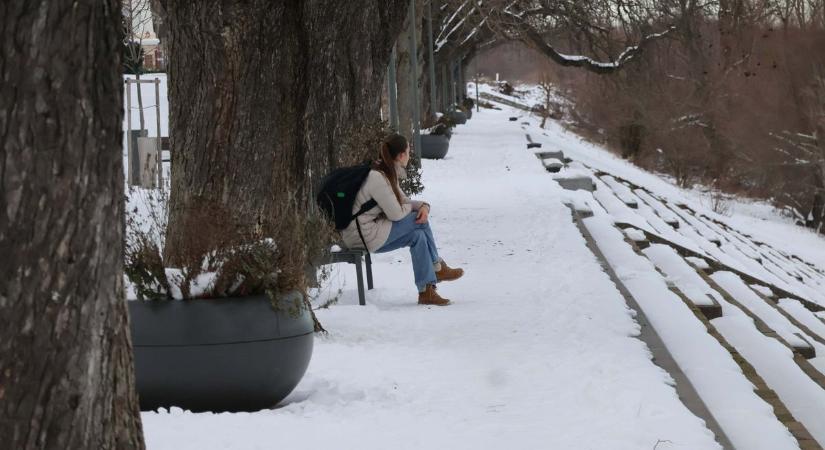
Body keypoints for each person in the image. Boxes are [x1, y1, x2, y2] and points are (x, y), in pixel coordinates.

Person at [341, 133, 464, 306]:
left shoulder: (386, 173)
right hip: (362, 235)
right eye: (408, 151)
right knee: (417, 220)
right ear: (401, 156)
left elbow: (404, 202)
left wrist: (423, 206)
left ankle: (426, 291)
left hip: (370, 231)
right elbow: (397, 214)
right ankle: (437, 267)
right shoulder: (378, 178)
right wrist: (415, 209)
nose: (410, 154)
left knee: (418, 236)